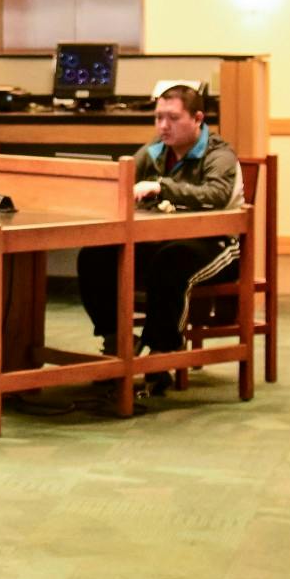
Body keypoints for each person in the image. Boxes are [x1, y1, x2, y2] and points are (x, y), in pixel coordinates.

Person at [75, 84, 244, 394]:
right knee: (94, 256)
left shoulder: (219, 153)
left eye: (173, 118)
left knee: (171, 263)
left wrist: (161, 187)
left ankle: (162, 353)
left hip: (217, 244)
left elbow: (216, 195)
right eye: (158, 118)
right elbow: (121, 181)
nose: (163, 126)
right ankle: (117, 340)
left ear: (197, 119)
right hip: (160, 241)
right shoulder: (154, 150)